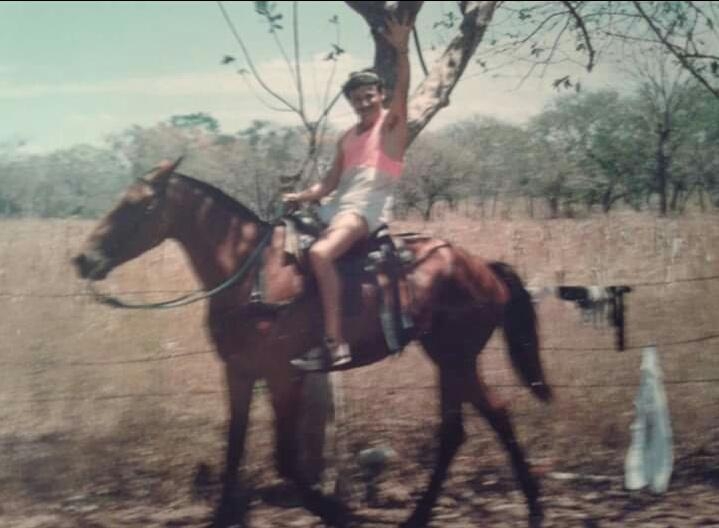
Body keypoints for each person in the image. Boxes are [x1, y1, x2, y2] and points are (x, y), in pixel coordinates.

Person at [283, 13, 413, 372]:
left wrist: (402, 51)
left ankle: (335, 341)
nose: (363, 103)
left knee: (321, 254)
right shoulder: (347, 137)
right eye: (357, 99)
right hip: (336, 207)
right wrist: (298, 198)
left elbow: (403, 89)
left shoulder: (391, 126)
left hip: (363, 212)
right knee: (287, 242)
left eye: (369, 96)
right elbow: (327, 185)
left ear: (380, 95)